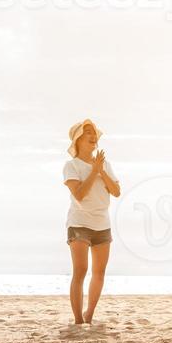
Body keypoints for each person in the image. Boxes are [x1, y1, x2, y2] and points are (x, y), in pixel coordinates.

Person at [63, 119, 121, 325]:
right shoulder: (71, 166)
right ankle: (78, 320)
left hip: (102, 224)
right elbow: (78, 194)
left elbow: (116, 191)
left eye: (94, 132)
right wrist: (94, 171)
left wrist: (101, 170)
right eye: (87, 132)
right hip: (79, 223)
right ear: (78, 139)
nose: (92, 135)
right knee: (81, 270)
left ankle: (89, 315)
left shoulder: (105, 164)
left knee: (99, 272)